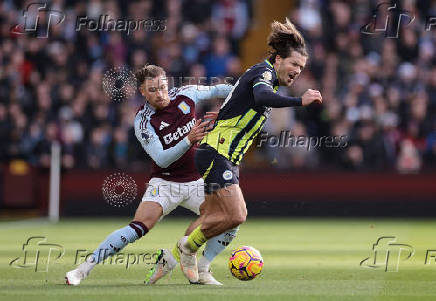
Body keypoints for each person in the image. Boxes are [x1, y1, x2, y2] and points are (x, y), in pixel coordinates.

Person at [175, 18, 323, 283]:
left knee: (211, 216)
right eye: (294, 64)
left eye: (301, 67)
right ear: (278, 59)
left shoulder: (265, 79)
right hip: (216, 152)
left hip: (226, 156)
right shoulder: (263, 74)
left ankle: (198, 269)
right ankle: (187, 249)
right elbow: (262, 97)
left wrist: (224, 113)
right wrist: (300, 100)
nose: (298, 71)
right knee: (237, 214)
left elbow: (242, 100)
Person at [66, 64, 237, 286]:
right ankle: (82, 270)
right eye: (153, 90)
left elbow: (217, 90)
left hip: (197, 180)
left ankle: (198, 265)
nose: (160, 94)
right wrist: (189, 139)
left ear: (168, 83)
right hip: (165, 182)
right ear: (143, 92)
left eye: (163, 87)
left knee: (231, 218)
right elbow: (162, 158)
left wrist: (246, 90)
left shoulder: (187, 94)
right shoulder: (143, 122)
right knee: (138, 227)